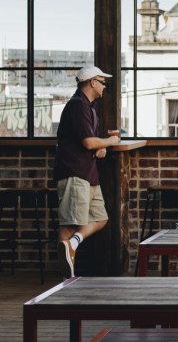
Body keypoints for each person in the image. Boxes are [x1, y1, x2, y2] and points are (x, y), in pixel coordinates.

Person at [54, 66, 121, 279]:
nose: (104, 86)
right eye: (102, 82)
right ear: (92, 82)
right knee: (69, 224)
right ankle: (66, 278)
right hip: (75, 173)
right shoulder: (78, 106)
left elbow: (90, 142)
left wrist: (100, 147)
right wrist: (109, 141)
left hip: (87, 174)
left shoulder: (88, 107)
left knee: (100, 218)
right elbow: (88, 141)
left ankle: (73, 243)